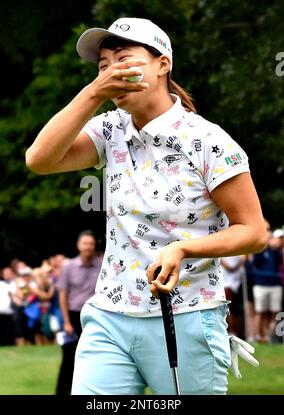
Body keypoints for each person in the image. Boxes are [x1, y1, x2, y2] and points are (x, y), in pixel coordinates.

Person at [26, 17, 267, 395]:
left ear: (162, 64)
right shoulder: (110, 129)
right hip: (109, 315)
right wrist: (92, 93)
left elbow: (254, 232)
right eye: (103, 66)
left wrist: (183, 248)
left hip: (185, 316)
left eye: (123, 58)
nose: (111, 72)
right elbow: (39, 160)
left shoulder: (207, 140)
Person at [55, 230, 101, 395]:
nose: (88, 247)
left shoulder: (102, 265)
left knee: (95, 357)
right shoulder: (69, 267)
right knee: (68, 359)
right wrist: (66, 321)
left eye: (91, 244)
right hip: (73, 317)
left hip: (95, 317)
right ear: (78, 246)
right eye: (85, 244)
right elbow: (62, 295)